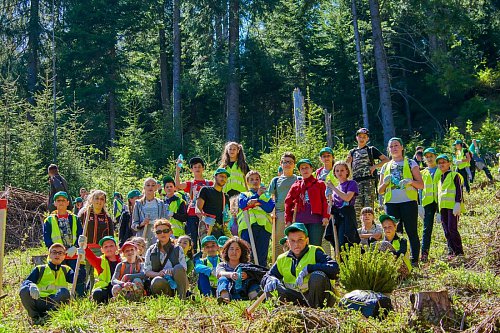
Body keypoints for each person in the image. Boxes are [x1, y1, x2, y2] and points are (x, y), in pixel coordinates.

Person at [261, 223, 339, 308]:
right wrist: (270, 279)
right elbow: (267, 276)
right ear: (287, 243)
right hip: (295, 299)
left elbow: (335, 268)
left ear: (307, 240)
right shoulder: (282, 259)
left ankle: (317, 312)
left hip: (317, 299)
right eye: (292, 241)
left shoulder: (315, 252)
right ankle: (281, 314)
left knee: (317, 276)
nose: (296, 244)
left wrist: (309, 268)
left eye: (300, 240)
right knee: (271, 285)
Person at [379, 137, 424, 267]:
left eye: (396, 145)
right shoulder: (385, 166)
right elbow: (380, 190)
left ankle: (414, 261)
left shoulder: (411, 163)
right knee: (393, 233)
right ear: (388, 149)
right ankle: (395, 261)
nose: (394, 148)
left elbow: (421, 185)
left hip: (408, 202)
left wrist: (410, 182)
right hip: (391, 204)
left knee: (411, 231)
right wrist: (386, 182)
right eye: (391, 146)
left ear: (402, 147)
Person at [19, 243, 85, 321]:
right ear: (49, 255)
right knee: (24, 290)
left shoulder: (66, 270)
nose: (57, 255)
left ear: (64, 256)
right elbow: (26, 281)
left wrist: (81, 262)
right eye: (54, 252)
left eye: (60, 253)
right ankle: (35, 318)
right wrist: (31, 285)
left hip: (55, 302)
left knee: (64, 292)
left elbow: (79, 279)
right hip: (40, 300)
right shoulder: (40, 269)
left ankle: (49, 317)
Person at [42, 191, 85, 296]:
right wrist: (57, 251)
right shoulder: (49, 220)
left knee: (79, 275)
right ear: (55, 203)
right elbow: (47, 239)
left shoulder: (75, 218)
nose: (61, 202)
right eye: (58, 200)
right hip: (57, 255)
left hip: (73, 254)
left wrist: (75, 247)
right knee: (56, 277)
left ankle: (79, 298)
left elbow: (80, 234)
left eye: (63, 200)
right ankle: (58, 298)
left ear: (67, 203)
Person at [284, 159, 329, 246]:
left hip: (316, 220)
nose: (305, 170)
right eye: (302, 168)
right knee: (301, 245)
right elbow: (288, 203)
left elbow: (324, 201)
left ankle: (315, 260)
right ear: (299, 171)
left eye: (307, 167)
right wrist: (288, 220)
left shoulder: (319, 184)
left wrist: (325, 216)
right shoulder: (296, 185)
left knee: (315, 246)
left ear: (311, 169)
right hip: (300, 220)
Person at [346, 128, 390, 215]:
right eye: (360, 137)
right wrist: (347, 162)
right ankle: (358, 228)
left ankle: (370, 227)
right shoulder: (352, 152)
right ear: (356, 138)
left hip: (369, 182)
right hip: (356, 183)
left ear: (367, 139)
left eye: (364, 137)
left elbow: (386, 160)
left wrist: (375, 166)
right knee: (357, 209)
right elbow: (347, 169)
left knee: (368, 208)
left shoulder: (371, 150)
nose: (362, 139)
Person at [175, 156, 214, 252]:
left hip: (205, 215)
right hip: (192, 214)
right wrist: (177, 170)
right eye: (195, 167)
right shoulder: (190, 184)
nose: (197, 169)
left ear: (203, 168)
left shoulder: (209, 184)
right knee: (192, 238)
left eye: (199, 166)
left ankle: (204, 258)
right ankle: (192, 258)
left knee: (205, 238)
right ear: (192, 169)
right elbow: (178, 185)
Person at [238, 170, 275, 266]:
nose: (255, 181)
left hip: (264, 228)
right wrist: (257, 195)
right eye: (252, 179)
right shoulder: (244, 194)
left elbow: (269, 207)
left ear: (260, 181)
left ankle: (261, 275)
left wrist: (257, 201)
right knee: (247, 254)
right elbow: (243, 204)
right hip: (248, 227)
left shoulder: (266, 196)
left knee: (262, 254)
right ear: (248, 182)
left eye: (257, 179)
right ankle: (248, 275)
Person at [78, 190, 114, 289]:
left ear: (105, 202)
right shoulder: (84, 214)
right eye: (96, 198)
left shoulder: (107, 218)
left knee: (97, 274)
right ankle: (80, 296)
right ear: (91, 199)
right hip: (85, 248)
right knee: (83, 273)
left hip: (100, 250)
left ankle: (94, 295)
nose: (99, 201)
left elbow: (111, 237)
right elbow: (77, 232)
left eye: (102, 199)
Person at [144, 219, 188, 298]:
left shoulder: (178, 249)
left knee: (178, 267)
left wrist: (172, 270)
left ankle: (181, 298)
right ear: (155, 234)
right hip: (161, 281)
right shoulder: (151, 250)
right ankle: (164, 300)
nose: (162, 233)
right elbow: (147, 271)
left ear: (171, 232)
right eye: (159, 232)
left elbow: (183, 268)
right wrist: (158, 274)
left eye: (166, 230)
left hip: (176, 281)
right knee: (157, 280)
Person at [269, 152, 300, 258]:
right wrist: (272, 213)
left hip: (296, 213)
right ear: (281, 163)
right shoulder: (276, 180)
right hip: (280, 213)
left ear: (294, 164)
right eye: (284, 162)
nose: (287, 164)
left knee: (296, 241)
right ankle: (278, 265)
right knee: (278, 242)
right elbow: (271, 198)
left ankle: (294, 263)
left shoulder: (299, 179)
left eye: (290, 162)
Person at [216, 237, 262, 303]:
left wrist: (247, 275)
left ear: (241, 252)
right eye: (231, 249)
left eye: (237, 249)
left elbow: (255, 274)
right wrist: (230, 275)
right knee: (222, 279)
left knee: (251, 280)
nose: (234, 252)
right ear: (227, 251)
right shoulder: (222, 265)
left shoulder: (247, 265)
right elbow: (219, 273)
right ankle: (224, 298)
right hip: (229, 290)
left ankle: (255, 297)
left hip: (244, 291)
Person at [326, 161, 360, 250]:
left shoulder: (351, 183)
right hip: (337, 216)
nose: (339, 173)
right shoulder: (336, 188)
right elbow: (332, 205)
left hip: (347, 216)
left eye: (342, 170)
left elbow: (347, 198)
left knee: (346, 240)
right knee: (336, 240)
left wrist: (333, 187)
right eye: (337, 171)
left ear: (347, 171)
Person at [436, 154, 465, 260]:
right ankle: (451, 251)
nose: (441, 165)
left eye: (443, 162)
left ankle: (459, 252)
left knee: (452, 229)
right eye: (439, 163)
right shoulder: (439, 179)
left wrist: (458, 203)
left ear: (449, 163)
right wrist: (438, 211)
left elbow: (459, 190)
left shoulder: (454, 175)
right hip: (443, 208)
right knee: (446, 230)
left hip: (453, 207)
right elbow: (439, 195)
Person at [82, 235, 121, 303]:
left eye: (111, 246)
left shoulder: (122, 260)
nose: (109, 249)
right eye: (106, 247)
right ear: (102, 250)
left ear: (116, 248)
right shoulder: (100, 261)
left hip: (119, 287)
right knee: (97, 294)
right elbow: (91, 257)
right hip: (105, 288)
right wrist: (85, 247)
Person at [419, 148, 442, 262]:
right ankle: (424, 254)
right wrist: (419, 205)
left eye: (431, 156)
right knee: (427, 229)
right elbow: (419, 189)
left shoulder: (442, 170)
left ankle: (452, 251)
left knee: (447, 227)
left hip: (441, 202)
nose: (429, 158)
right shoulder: (423, 173)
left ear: (435, 156)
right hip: (427, 203)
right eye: (427, 157)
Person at [197, 168, 231, 240]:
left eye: (225, 177)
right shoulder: (206, 190)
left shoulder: (225, 196)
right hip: (207, 227)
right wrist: (205, 219)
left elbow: (227, 214)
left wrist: (227, 219)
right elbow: (197, 209)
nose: (223, 179)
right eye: (221, 176)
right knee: (206, 249)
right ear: (215, 177)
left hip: (220, 229)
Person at [132, 178, 167, 246]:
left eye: (153, 185)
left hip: (157, 235)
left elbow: (165, 221)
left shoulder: (160, 203)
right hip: (143, 235)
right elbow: (134, 224)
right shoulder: (138, 203)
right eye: (148, 185)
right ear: (144, 187)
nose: (150, 187)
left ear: (156, 188)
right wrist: (142, 224)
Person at [313, 147, 335, 256]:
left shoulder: (337, 169)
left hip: (335, 203)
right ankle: (327, 258)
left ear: (332, 157)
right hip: (322, 205)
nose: (326, 158)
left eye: (328, 156)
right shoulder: (318, 172)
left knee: (334, 233)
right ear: (321, 159)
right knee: (324, 234)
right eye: (324, 156)